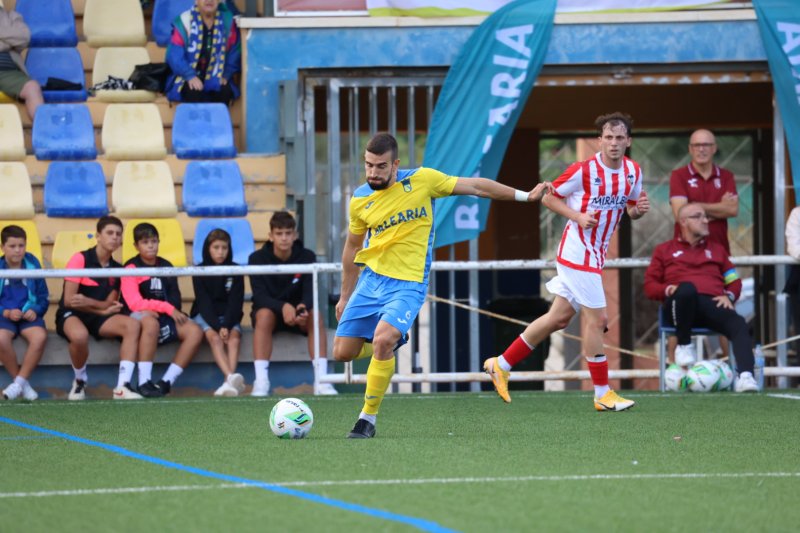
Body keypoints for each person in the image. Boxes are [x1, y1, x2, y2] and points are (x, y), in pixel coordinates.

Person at [334, 132, 551, 438]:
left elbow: (476, 186)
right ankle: (394, 339)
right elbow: (352, 248)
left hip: (408, 284)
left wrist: (525, 195)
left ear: (395, 164)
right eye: (368, 165)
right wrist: (345, 296)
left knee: (382, 340)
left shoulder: (423, 180)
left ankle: (367, 418)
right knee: (342, 352)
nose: (372, 172)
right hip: (370, 283)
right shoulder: (359, 199)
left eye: (380, 166)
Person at [484, 112, 649, 411]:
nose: (613, 143)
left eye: (619, 137)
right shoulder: (583, 170)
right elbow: (548, 197)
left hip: (595, 256)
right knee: (597, 320)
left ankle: (501, 364)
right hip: (576, 253)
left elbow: (632, 207)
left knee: (558, 318)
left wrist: (639, 211)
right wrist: (577, 216)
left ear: (628, 141)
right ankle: (602, 393)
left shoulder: (633, 172)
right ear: (599, 141)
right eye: (608, 137)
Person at [644, 203, 759, 392]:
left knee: (739, 324)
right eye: (698, 216)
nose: (706, 220)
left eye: (706, 216)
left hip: (711, 303)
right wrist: (668, 289)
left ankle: (745, 376)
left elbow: (734, 281)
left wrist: (729, 296)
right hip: (678, 306)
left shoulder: (717, 250)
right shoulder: (664, 250)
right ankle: (684, 345)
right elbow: (650, 286)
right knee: (687, 289)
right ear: (683, 222)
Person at [56, 216, 144, 400]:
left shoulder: (118, 269)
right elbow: (69, 300)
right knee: (79, 336)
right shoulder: (79, 258)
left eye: (118, 234)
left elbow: (109, 304)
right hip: (72, 314)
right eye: (109, 233)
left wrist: (93, 305)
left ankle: (122, 387)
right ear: (98, 236)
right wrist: (100, 309)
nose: (114, 237)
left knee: (133, 326)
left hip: (97, 316)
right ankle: (80, 381)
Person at [248, 211, 336, 396]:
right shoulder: (256, 259)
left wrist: (302, 309)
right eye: (279, 233)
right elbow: (259, 297)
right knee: (263, 315)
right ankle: (261, 382)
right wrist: (283, 307)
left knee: (316, 317)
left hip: (299, 315)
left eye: (288, 233)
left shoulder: (307, 256)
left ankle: (322, 381)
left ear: (295, 235)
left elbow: (310, 291)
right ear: (270, 236)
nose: (284, 238)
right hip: (271, 315)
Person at [121, 223, 203, 397]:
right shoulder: (131, 268)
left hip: (163, 317)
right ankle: (144, 381)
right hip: (137, 317)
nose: (150, 245)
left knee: (195, 331)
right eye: (145, 242)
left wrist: (167, 310)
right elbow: (134, 303)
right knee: (150, 322)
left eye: (154, 241)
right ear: (136, 246)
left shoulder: (166, 266)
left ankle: (166, 382)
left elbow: (175, 300)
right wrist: (164, 308)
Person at [190, 228, 245, 397]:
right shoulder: (199, 271)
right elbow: (204, 302)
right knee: (215, 339)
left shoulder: (236, 270)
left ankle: (227, 384)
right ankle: (230, 378)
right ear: (208, 248)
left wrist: (227, 324)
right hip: (206, 315)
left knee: (234, 338)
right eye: (216, 247)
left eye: (224, 248)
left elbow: (236, 302)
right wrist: (218, 326)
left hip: (228, 315)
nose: (220, 252)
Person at [669, 129, 738, 254]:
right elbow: (680, 214)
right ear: (690, 149)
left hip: (720, 251)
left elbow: (732, 210)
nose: (701, 149)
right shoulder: (679, 175)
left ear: (714, 148)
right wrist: (720, 208)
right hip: (686, 252)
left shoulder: (726, 176)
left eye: (706, 145)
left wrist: (692, 207)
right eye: (697, 145)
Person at [0, 225, 47, 400]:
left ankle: (17, 384)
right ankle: (22, 384)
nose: (18, 250)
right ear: (2, 247)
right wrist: (5, 312)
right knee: (0, 338)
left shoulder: (33, 265)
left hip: (28, 318)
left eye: (21, 245)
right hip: (4, 318)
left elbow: (43, 297)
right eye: (12, 246)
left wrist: (35, 309)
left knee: (40, 337)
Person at [165, 0, 241, 105]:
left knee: (225, 91)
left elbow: (235, 50)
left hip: (218, 74)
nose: (209, 0)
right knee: (193, 91)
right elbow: (174, 55)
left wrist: (226, 74)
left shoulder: (227, 21)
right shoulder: (184, 20)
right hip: (188, 75)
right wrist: (189, 75)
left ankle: (217, 121)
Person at [0, 5, 43, 121]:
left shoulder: (13, 16)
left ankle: (44, 133)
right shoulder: (11, 24)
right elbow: (15, 38)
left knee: (32, 87)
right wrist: (8, 42)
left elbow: (23, 38)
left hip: (8, 73)